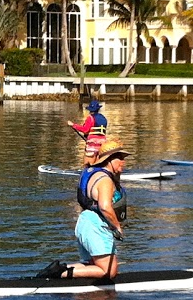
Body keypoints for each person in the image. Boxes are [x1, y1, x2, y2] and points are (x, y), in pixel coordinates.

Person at [38, 141, 129, 280]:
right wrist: (117, 226)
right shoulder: (105, 180)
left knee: (92, 264)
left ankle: (60, 269)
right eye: (120, 158)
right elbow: (105, 206)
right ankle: (59, 273)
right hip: (96, 226)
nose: (123, 162)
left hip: (85, 222)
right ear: (110, 160)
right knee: (109, 271)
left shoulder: (95, 174)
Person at [67, 98, 109, 167]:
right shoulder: (104, 118)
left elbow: (85, 130)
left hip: (92, 143)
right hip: (102, 143)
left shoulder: (90, 118)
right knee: (98, 163)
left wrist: (73, 125)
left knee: (88, 165)